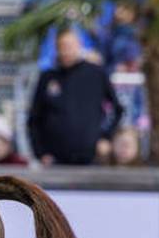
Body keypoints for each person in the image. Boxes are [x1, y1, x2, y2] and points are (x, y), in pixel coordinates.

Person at [27, 28, 124, 165]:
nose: (66, 51)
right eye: (62, 46)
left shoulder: (96, 74)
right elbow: (34, 119)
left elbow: (117, 109)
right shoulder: (47, 77)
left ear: (79, 45)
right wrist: (40, 153)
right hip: (55, 161)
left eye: (69, 46)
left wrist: (106, 137)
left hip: (91, 159)